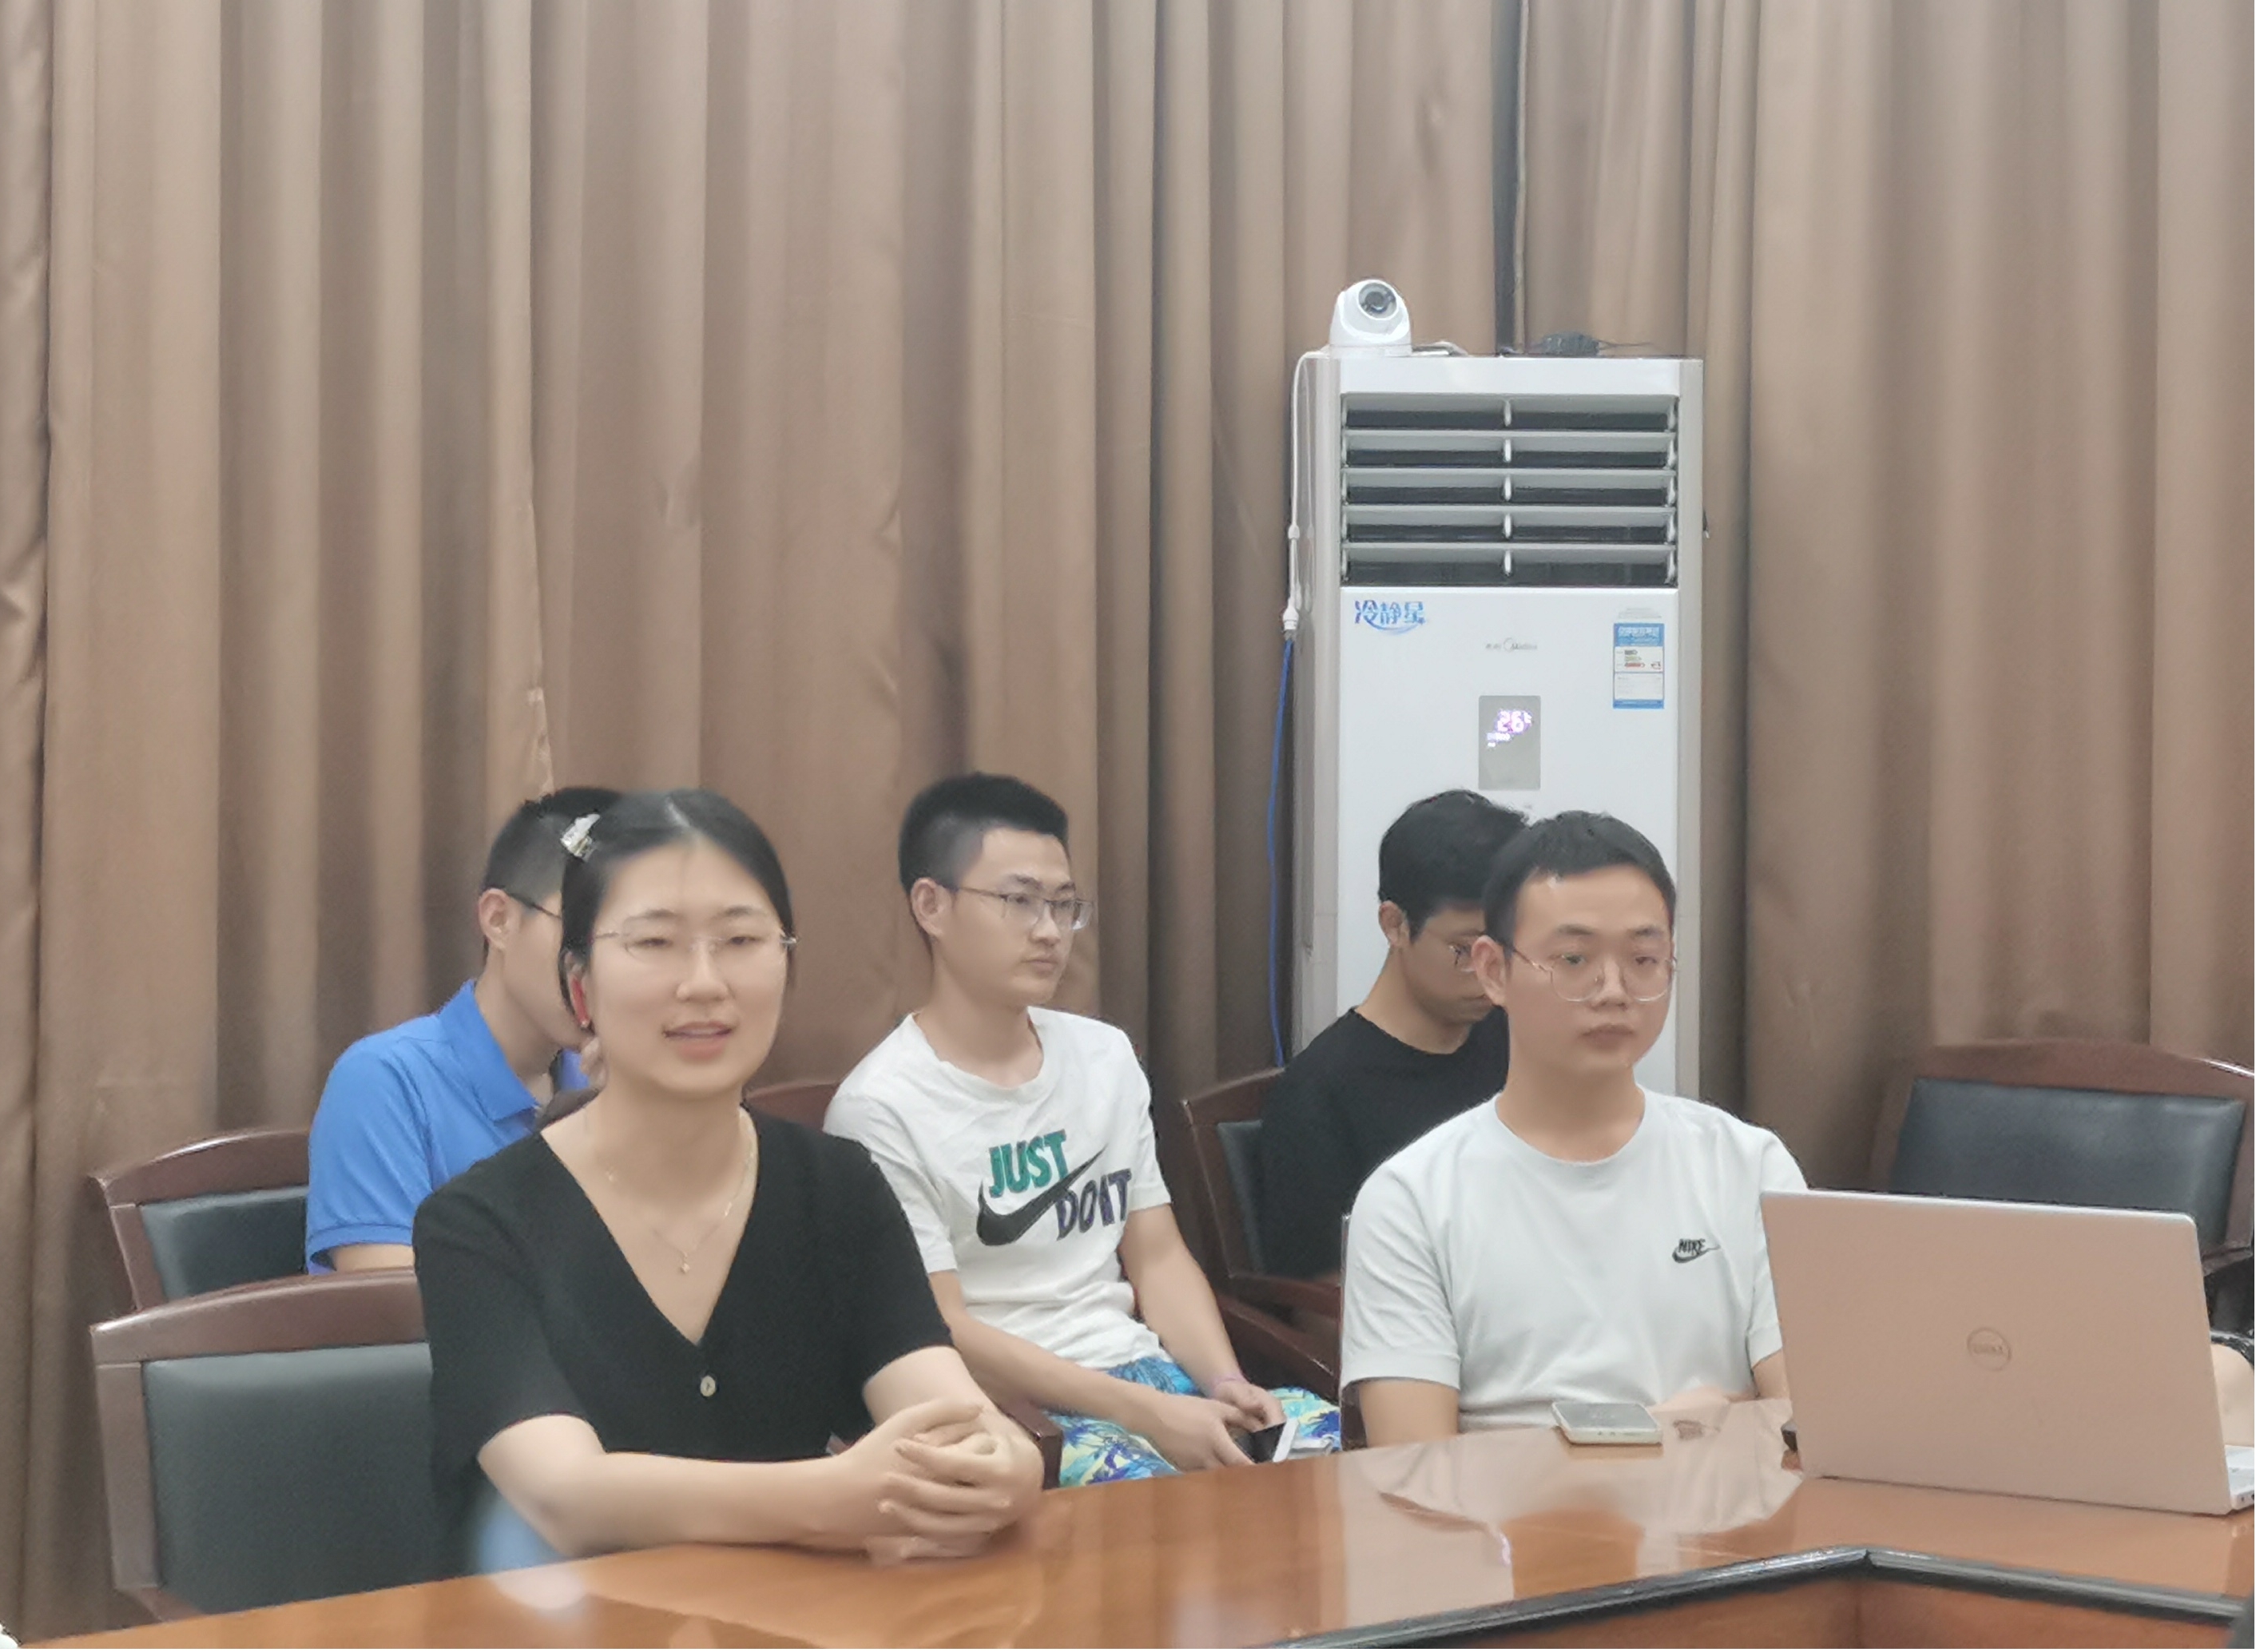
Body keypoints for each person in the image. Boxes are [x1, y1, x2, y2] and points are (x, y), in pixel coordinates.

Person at [414, 788, 1043, 1572]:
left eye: (742, 939)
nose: (705, 982)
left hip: (789, 1616)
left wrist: (1008, 1466)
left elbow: (954, 1418)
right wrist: (833, 1495)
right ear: (580, 987)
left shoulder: (837, 1188)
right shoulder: (477, 1222)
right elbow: (567, 1499)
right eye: (654, 942)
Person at [827, 772, 1339, 1486]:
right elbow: (942, 1329)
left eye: (1063, 905)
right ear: (931, 906)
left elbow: (1156, 1255)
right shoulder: (882, 1106)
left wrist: (1224, 1384)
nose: (1048, 931)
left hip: (1146, 1375)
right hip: (1014, 1410)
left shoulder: (1104, 1056)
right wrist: (1147, 1415)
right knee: (1156, 1497)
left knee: (1337, 1447)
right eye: (1019, 901)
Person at [1343, 812, 1803, 1445]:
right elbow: (1416, 1470)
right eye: (1574, 959)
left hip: (1728, 1515)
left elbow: (1807, 1427)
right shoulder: (1411, 1199)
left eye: (1644, 959)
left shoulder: (1749, 1166)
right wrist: (1671, 1431)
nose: (1613, 991)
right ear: (1493, 970)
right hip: (1498, 1519)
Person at [306, 786, 620, 1272]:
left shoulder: (611, 1080)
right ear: (499, 920)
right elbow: (392, 1303)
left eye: (637, 940)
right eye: (583, 932)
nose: (605, 966)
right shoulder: (384, 1081)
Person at [1260, 790, 1525, 1284]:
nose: (1492, 974)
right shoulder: (1321, 1092)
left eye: (1508, 948)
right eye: (1466, 950)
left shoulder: (1519, 1040)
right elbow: (1322, 1297)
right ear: (1396, 925)